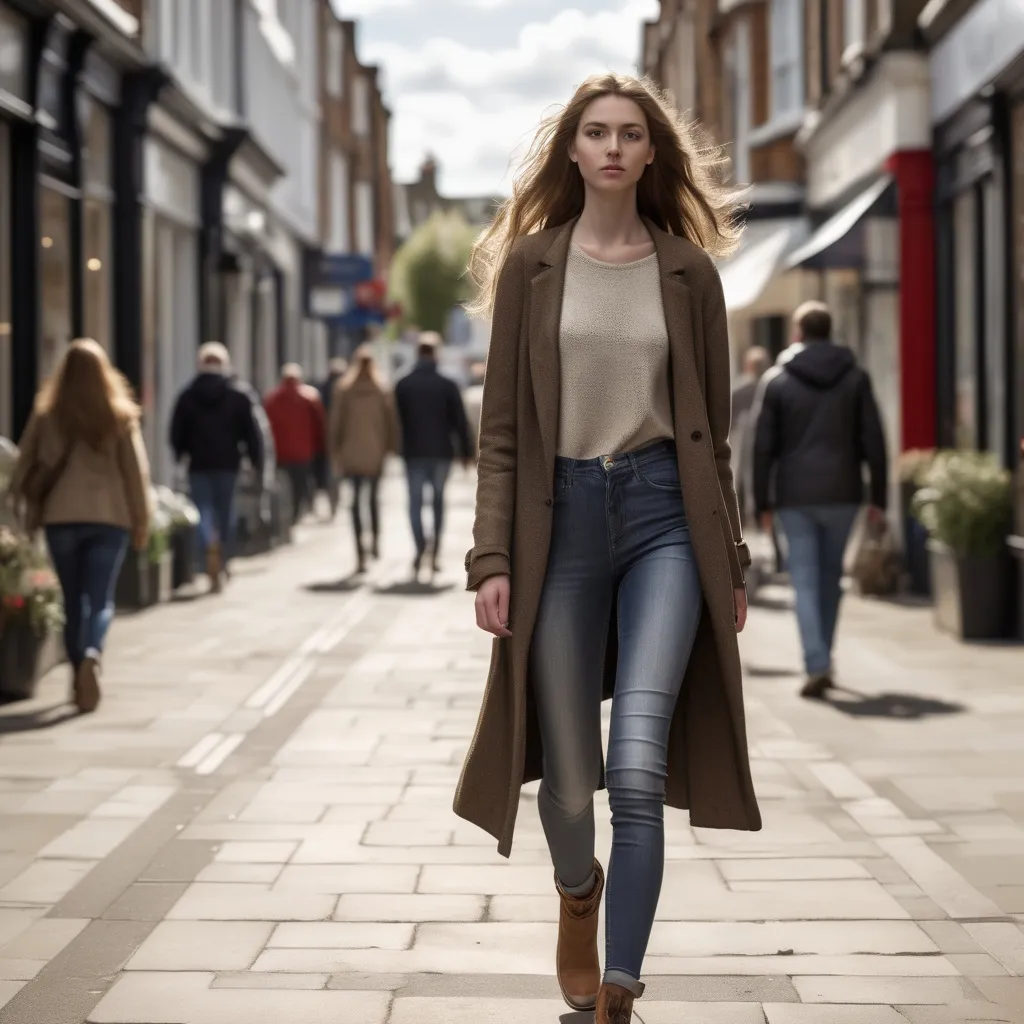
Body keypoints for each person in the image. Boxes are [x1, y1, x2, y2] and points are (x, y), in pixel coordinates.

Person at [455, 74, 760, 1024]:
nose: (616, 147)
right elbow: (501, 431)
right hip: (561, 527)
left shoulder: (688, 275)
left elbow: (712, 432)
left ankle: (619, 984)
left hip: (667, 517)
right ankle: (577, 889)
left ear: (652, 152)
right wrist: (490, 560)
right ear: (575, 152)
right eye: (597, 132)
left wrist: (734, 559)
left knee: (635, 766)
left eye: (632, 133)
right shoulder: (533, 269)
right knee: (573, 778)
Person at [752, 300, 888, 699]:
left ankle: (817, 662)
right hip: (844, 493)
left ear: (798, 334)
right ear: (829, 332)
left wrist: (761, 503)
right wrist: (878, 495)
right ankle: (822, 656)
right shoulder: (856, 378)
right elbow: (873, 440)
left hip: (794, 496)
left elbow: (762, 449)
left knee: (806, 580)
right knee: (831, 578)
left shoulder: (777, 381)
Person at [10, 339, 152, 713]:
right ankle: (92, 653)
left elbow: (24, 464)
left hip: (62, 518)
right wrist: (142, 519)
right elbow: (136, 473)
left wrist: (23, 508)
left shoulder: (48, 414)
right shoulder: (119, 415)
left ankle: (77, 670)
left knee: (74, 602)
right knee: (101, 599)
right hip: (109, 518)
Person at [170, 342, 264, 592]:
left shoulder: (188, 395)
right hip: (228, 464)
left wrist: (181, 455)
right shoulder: (238, 394)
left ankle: (208, 549)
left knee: (202, 511)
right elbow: (252, 433)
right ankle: (223, 558)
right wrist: (255, 461)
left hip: (198, 464)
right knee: (225, 512)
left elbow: (176, 433)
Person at [394, 332, 473, 576]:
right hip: (441, 453)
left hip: (413, 453)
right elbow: (460, 422)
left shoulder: (403, 384)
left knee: (415, 503)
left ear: (417, 353)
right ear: (436, 354)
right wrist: (467, 453)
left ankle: (420, 546)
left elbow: (395, 422)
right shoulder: (447, 385)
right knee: (438, 502)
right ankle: (435, 551)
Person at [329, 345, 397, 573]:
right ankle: (375, 542)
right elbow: (391, 424)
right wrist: (390, 448)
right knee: (373, 500)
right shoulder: (382, 389)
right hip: (375, 453)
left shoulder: (344, 389)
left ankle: (360, 552)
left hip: (351, 453)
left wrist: (335, 450)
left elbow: (336, 423)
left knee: (355, 502)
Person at [263, 364, 326, 526]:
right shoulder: (310, 397)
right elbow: (319, 425)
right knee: (300, 485)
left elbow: (266, 427)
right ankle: (295, 514)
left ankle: (287, 515)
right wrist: (320, 447)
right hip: (303, 451)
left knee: (284, 486)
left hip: (281, 451)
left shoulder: (272, 399)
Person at [730, 345, 769, 529]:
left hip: (745, 442)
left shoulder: (741, 389)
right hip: (750, 441)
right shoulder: (770, 385)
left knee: (743, 476)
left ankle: (747, 517)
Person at [317, 357, 348, 519]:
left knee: (332, 471)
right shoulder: (346, 389)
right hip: (342, 436)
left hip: (329, 435)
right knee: (337, 471)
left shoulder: (324, 389)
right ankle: (335, 500)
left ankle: (333, 501)